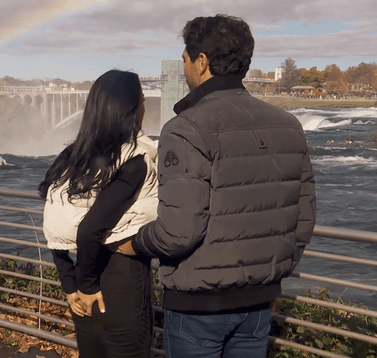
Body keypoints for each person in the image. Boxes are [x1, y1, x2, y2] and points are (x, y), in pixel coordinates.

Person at [118, 14, 317, 357]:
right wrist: (271, 277)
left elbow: (179, 232)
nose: (183, 70)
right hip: (258, 302)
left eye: (184, 60)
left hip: (199, 305)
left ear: (202, 61)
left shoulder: (186, 128)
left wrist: (134, 243)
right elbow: (304, 218)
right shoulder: (288, 126)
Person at [39, 69, 158, 358]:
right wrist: (90, 286)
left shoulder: (71, 156)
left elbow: (56, 225)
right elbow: (90, 229)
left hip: (82, 288)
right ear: (130, 109)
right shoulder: (134, 161)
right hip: (121, 287)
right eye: (141, 100)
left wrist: (72, 286)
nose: (144, 106)